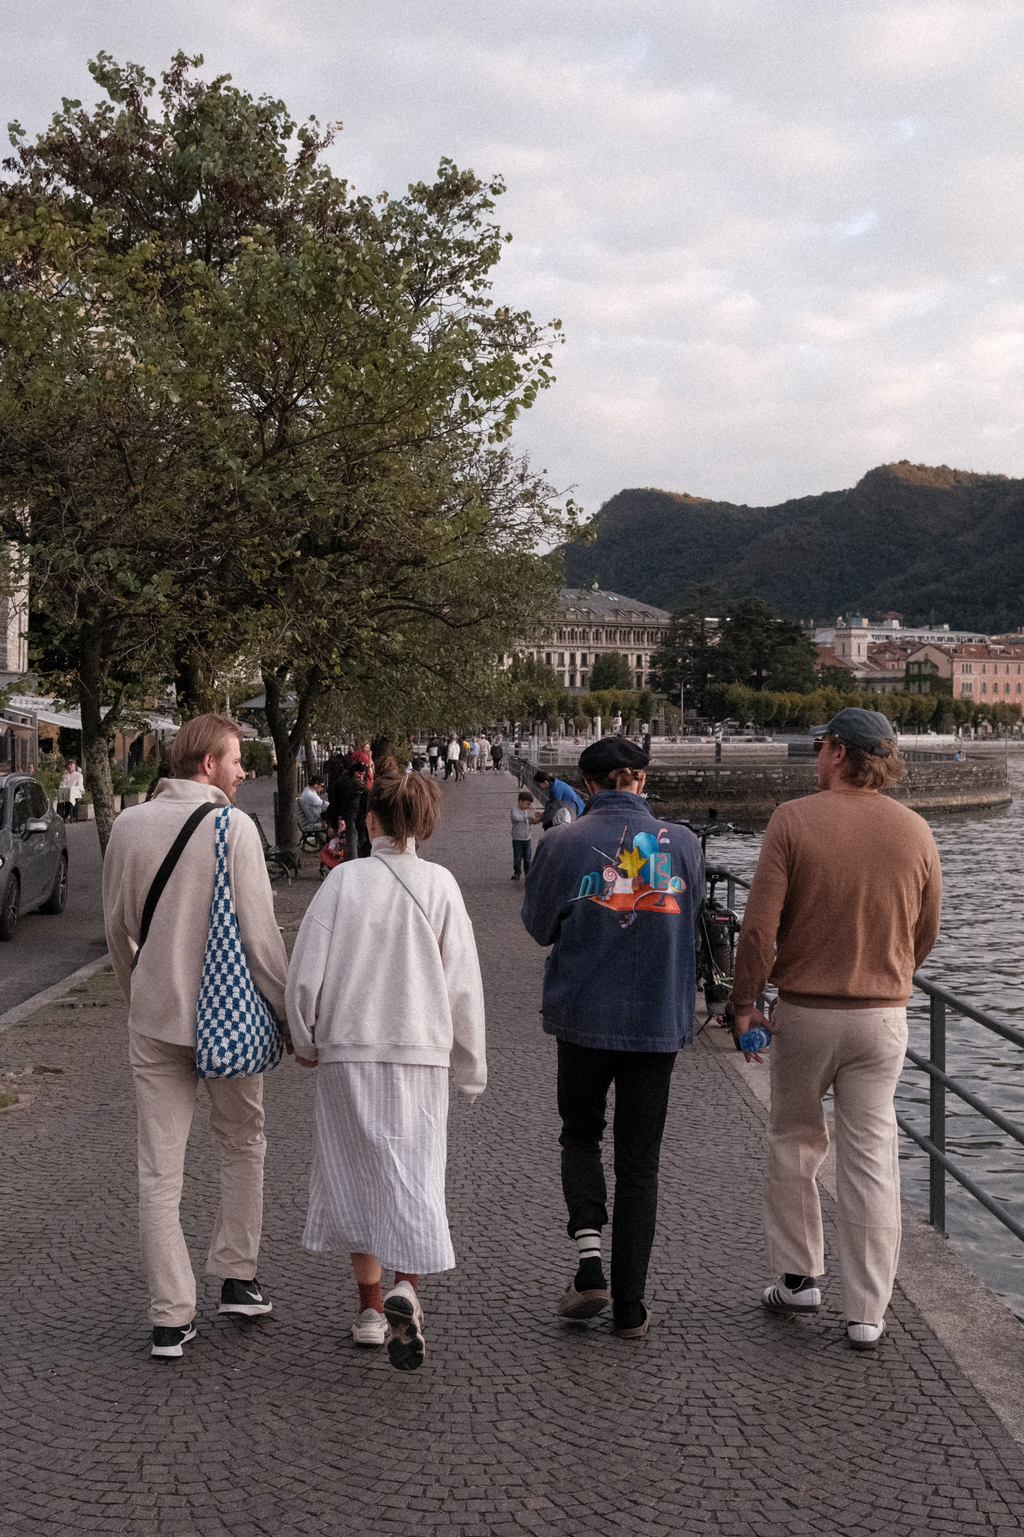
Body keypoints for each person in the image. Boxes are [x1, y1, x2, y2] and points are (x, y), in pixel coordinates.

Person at [730, 707, 942, 1352]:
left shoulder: (793, 820)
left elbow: (759, 928)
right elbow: (926, 929)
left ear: (837, 752)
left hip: (806, 1012)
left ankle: (798, 1280)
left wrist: (746, 1003)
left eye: (820, 744)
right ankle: (868, 1312)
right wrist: (891, 974)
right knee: (873, 1157)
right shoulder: (916, 830)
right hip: (883, 1016)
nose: (816, 754)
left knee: (795, 1138)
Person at [102, 714, 289, 1359]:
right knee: (243, 1141)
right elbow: (260, 937)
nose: (242, 771)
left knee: (159, 1169)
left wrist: (140, 997)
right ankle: (237, 1277)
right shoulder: (233, 828)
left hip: (155, 1019)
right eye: (236, 759)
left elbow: (118, 931)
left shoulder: (127, 825)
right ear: (207, 763)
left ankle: (169, 1315)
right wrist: (290, 1015)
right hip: (229, 1019)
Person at [286, 772, 486, 1371]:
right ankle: (407, 1289)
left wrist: (304, 1037)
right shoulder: (442, 886)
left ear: (370, 821)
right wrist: (470, 1067)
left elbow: (304, 974)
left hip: (348, 1051)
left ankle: (372, 1310)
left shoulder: (343, 882)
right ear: (423, 825)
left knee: (356, 1176)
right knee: (416, 1175)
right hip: (420, 1055)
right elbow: (463, 986)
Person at [521, 737, 703, 1337]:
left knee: (579, 1134)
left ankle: (589, 1259)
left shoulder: (562, 841)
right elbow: (694, 917)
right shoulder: (687, 844)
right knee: (640, 1164)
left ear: (589, 784)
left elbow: (540, 926)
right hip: (656, 1023)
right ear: (641, 783)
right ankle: (630, 1307)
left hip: (583, 1018)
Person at [326, 760, 369, 863]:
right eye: (359, 774)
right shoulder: (348, 784)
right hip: (352, 813)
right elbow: (336, 803)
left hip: (357, 814)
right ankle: (356, 860)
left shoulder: (350, 784)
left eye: (363, 774)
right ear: (354, 772)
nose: (361, 777)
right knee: (353, 835)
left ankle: (357, 859)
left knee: (355, 836)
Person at [510, 790, 541, 880]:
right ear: (520, 801)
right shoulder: (514, 811)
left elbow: (524, 820)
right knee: (518, 857)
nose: (528, 806)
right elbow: (517, 818)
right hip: (518, 838)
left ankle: (528, 873)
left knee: (527, 857)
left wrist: (529, 821)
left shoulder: (525, 811)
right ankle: (517, 873)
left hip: (527, 837)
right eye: (527, 804)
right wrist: (526, 817)